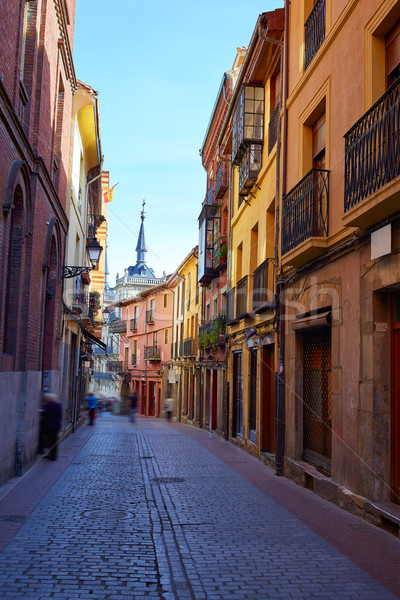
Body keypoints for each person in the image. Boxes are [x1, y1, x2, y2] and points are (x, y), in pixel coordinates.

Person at [41, 393, 62, 461]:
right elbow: (60, 415)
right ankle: (53, 455)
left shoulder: (48, 405)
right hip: (56, 425)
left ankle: (51, 455)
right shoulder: (58, 405)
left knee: (50, 441)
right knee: (54, 441)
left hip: (49, 425)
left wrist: (40, 412)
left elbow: (46, 413)